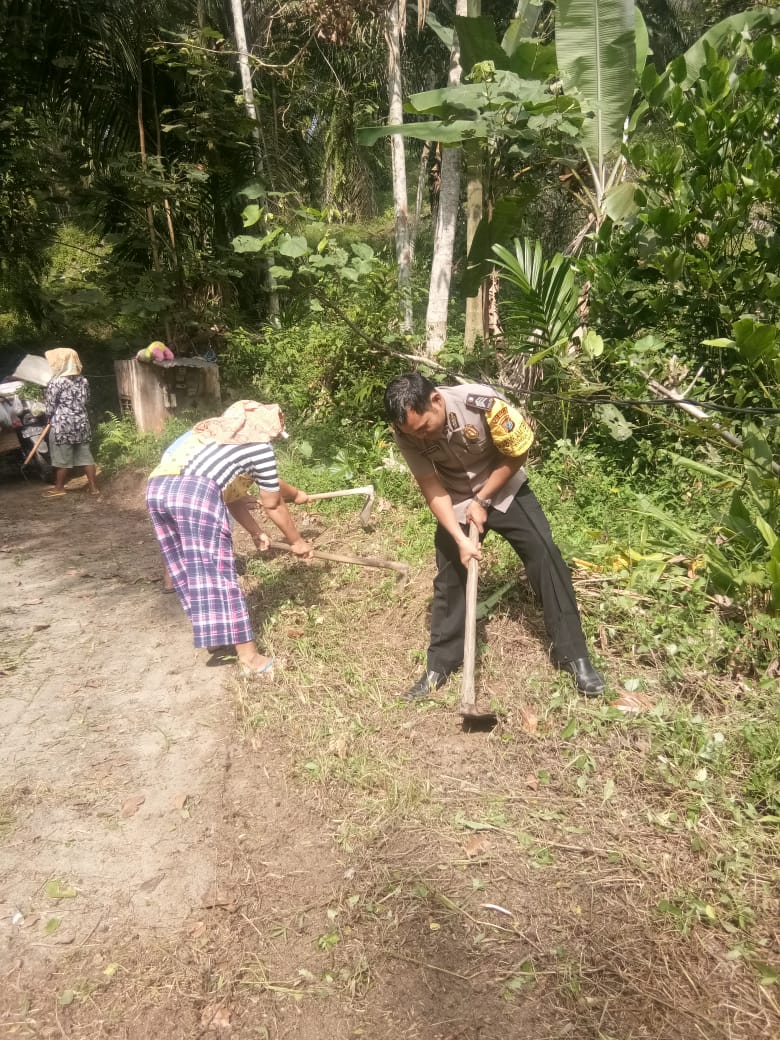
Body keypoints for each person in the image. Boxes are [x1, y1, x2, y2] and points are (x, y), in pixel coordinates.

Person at [384, 373, 605, 699]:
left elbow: (517, 453)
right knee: (449, 578)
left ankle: (574, 656)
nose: (419, 436)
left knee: (545, 556)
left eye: (423, 429)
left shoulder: (483, 402)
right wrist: (461, 540)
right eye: (411, 433)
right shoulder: (405, 433)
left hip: (504, 489)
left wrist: (484, 499)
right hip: (457, 499)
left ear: (435, 400)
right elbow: (431, 486)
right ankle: (441, 663)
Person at [147, 400, 313, 678]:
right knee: (218, 572)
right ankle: (249, 659)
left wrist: (255, 531)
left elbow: (233, 495)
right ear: (265, 428)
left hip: (157, 489)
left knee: (188, 567)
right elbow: (272, 503)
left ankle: (215, 636)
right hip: (195, 494)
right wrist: (297, 541)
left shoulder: (211, 434)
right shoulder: (259, 446)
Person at [42, 348, 99, 497]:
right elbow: (86, 400)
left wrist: (48, 416)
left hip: (62, 424)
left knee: (61, 457)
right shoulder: (83, 380)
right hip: (81, 422)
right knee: (86, 456)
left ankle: (59, 488)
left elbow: (50, 406)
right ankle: (93, 488)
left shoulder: (56, 383)